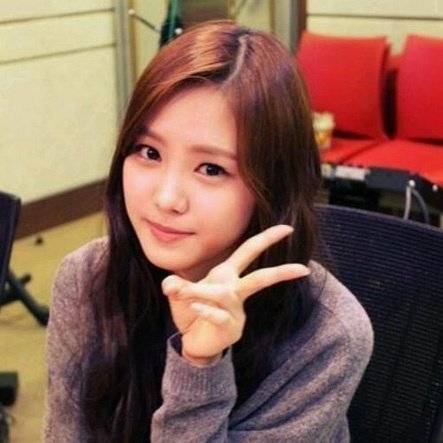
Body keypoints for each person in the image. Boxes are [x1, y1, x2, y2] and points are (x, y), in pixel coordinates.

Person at [43, 20, 373, 442]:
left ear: (273, 186)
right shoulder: (87, 277)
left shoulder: (328, 334)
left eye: (212, 169)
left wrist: (199, 366)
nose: (167, 198)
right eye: (149, 152)